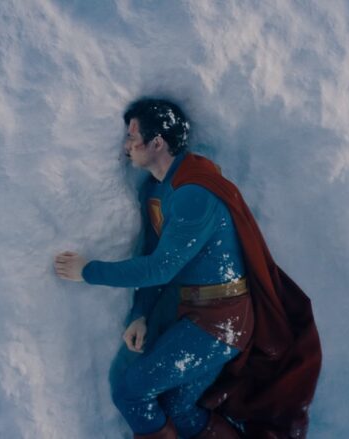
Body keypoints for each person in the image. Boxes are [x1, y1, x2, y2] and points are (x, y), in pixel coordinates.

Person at [55, 98, 322, 439]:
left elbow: (160, 269)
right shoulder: (157, 190)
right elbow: (153, 254)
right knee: (178, 408)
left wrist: (87, 271)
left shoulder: (194, 193)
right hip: (198, 316)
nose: (125, 146)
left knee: (130, 393)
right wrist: (140, 313)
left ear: (157, 143)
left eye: (132, 137)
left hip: (223, 321)